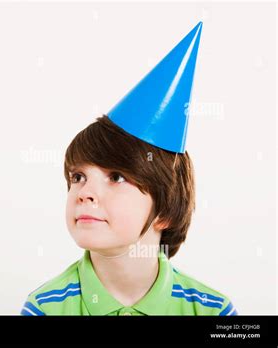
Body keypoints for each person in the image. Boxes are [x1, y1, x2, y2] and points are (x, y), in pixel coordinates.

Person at [20, 22, 237, 316]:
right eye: (78, 177)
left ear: (165, 210)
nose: (85, 192)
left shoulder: (213, 311)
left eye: (116, 177)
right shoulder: (45, 308)